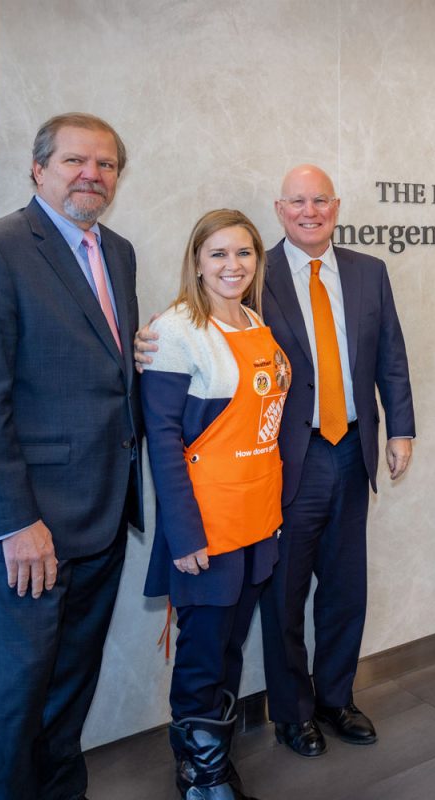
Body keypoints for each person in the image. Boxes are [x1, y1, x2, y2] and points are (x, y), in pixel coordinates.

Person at [137, 165, 414, 758]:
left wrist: (402, 429)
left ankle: (337, 696)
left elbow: (391, 353)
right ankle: (292, 712)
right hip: (286, 458)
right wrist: (150, 343)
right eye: (297, 201)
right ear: (279, 208)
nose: (310, 210)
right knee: (281, 592)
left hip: (353, 447)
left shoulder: (369, 272)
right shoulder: (256, 280)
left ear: (335, 206)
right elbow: (196, 332)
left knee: (346, 586)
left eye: (320, 200)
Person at [0, 113, 142, 800]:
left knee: (69, 693)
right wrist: (14, 521)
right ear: (38, 168)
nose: (92, 174)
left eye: (106, 164)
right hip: (28, 533)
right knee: (18, 700)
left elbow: (108, 374)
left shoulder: (117, 252)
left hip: (102, 518)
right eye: (76, 161)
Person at [141, 209, 285, 799]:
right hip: (208, 523)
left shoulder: (254, 319)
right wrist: (185, 533)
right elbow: (164, 439)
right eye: (219, 254)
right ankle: (200, 773)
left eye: (244, 253)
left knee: (229, 645)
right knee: (202, 653)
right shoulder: (177, 331)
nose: (233, 266)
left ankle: (214, 757)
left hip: (258, 517)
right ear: (197, 261)